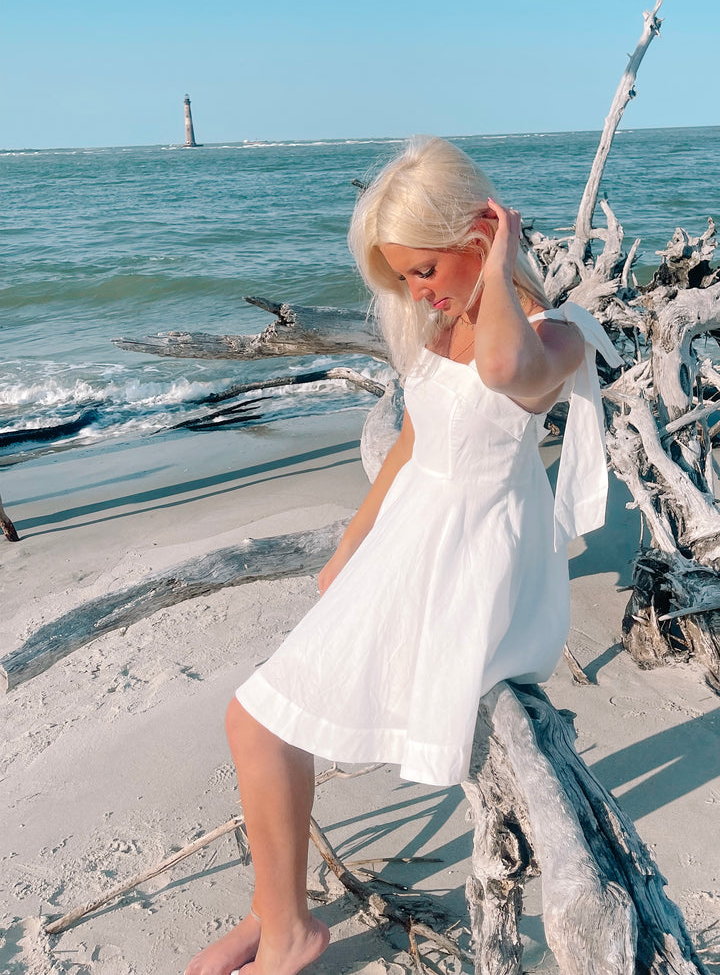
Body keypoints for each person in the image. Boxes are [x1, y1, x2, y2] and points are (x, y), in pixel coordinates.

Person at [186, 136, 621, 975]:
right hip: (409, 543)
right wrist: (347, 551)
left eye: (425, 270)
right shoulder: (442, 324)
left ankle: (287, 932)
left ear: (477, 236)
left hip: (471, 571)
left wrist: (502, 267)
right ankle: (277, 915)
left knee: (260, 720)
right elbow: (411, 444)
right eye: (403, 278)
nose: (418, 292)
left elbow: (507, 371)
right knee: (258, 720)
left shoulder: (555, 334)